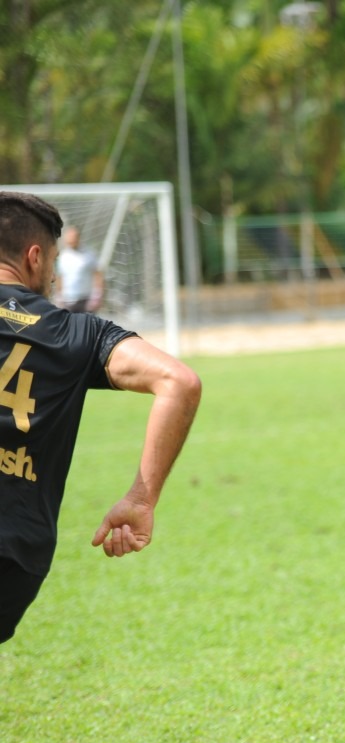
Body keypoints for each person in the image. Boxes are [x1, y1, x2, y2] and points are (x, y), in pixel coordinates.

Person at [0, 191, 201, 645]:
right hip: (15, 550)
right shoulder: (77, 333)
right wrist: (141, 500)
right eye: (52, 263)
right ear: (35, 257)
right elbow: (179, 382)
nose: (52, 277)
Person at [54, 225, 104, 313]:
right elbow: (60, 277)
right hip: (68, 300)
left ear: (78, 237)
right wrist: (59, 295)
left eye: (73, 238)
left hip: (85, 299)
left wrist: (97, 294)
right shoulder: (63, 256)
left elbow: (97, 274)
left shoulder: (89, 254)